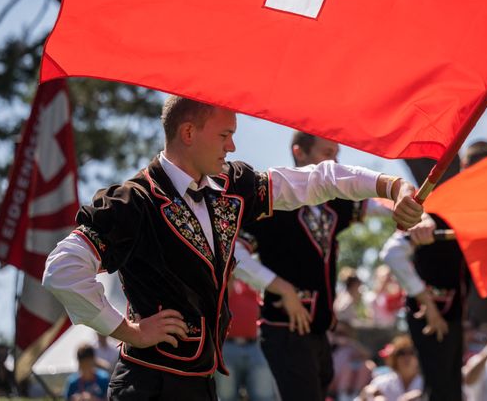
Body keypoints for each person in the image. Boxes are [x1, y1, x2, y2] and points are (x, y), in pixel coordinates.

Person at [43, 97, 422, 400]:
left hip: (203, 381)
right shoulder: (133, 201)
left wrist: (390, 186)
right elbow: (62, 270)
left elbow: (314, 180)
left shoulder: (231, 185)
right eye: (225, 134)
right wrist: (128, 331)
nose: (234, 145)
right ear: (188, 132)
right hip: (147, 386)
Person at [243, 130, 406, 401]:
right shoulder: (270, 201)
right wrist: (280, 287)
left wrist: (409, 210)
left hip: (321, 331)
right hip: (285, 326)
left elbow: (377, 206)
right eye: (327, 154)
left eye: (337, 155)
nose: (334, 164)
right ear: (300, 152)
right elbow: (235, 251)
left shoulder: (335, 203)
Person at [381, 140, 487, 401]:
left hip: (452, 315)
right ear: (465, 168)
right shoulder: (436, 207)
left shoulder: (483, 213)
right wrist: (427, 304)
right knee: (441, 392)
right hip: (430, 317)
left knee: (451, 392)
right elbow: (392, 252)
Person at [215, 244, 282, 401]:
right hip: (227, 346)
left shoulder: (255, 284)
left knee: (263, 396)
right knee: (227, 397)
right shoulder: (227, 280)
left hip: (255, 345)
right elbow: (222, 299)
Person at [359, 335, 424, 401]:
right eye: (401, 353)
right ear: (394, 358)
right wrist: (365, 395)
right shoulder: (382, 383)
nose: (406, 357)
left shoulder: (426, 384)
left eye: (412, 353)